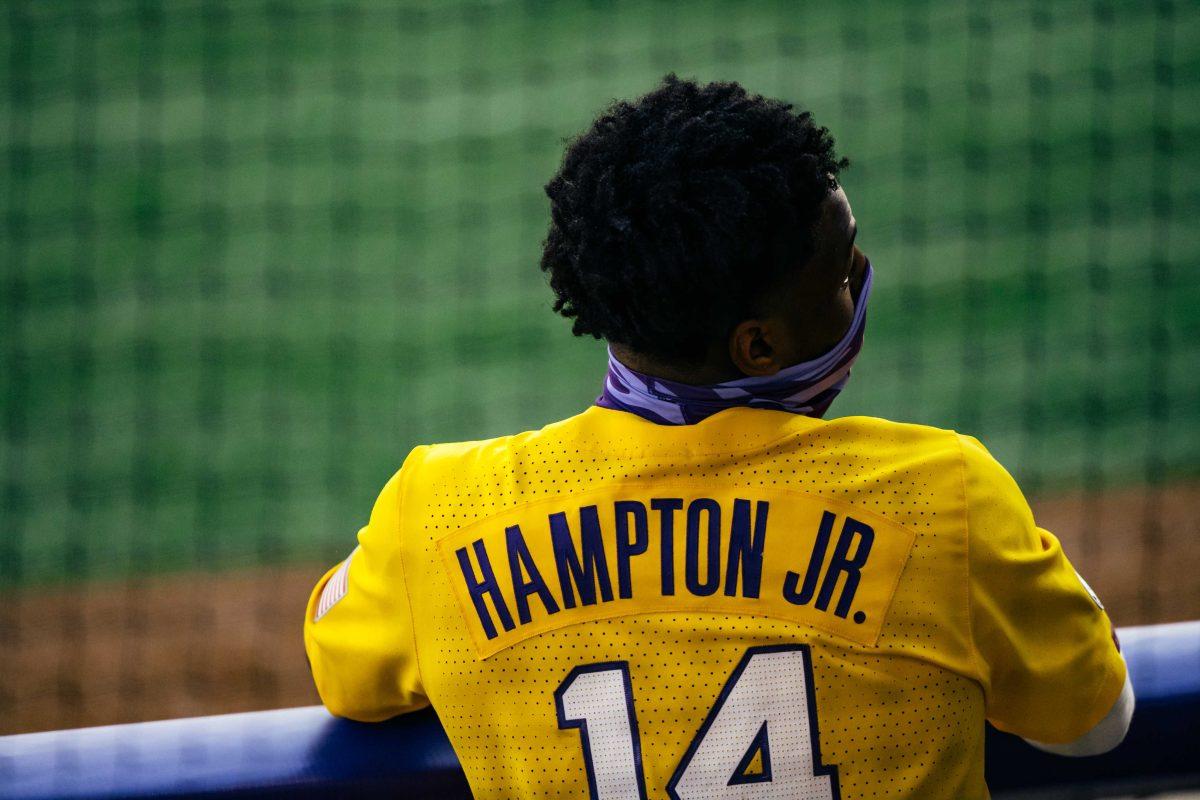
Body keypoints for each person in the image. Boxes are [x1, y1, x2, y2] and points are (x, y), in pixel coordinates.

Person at [304, 75, 1132, 799]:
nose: (861, 275)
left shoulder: (440, 514)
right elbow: (1092, 725)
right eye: (840, 271)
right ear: (759, 346)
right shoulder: (944, 498)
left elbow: (346, 677)